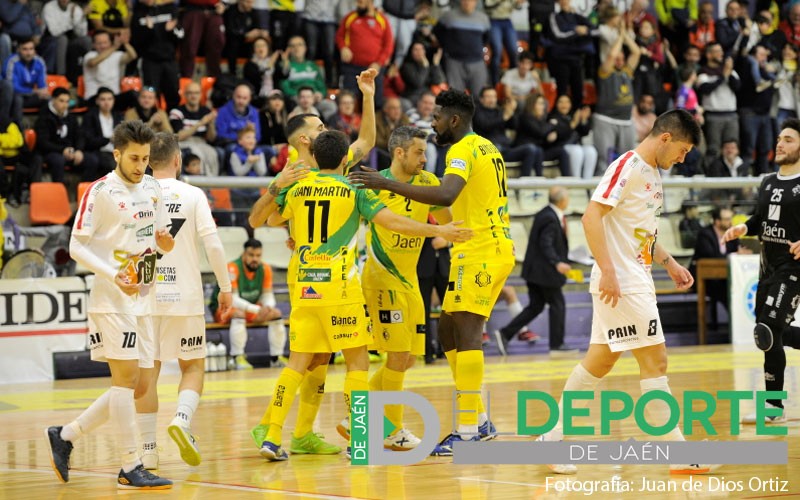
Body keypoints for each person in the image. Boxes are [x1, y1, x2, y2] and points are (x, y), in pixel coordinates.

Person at [258, 129, 471, 461]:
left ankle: (272, 436)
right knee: (357, 363)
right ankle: (361, 436)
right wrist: (438, 231)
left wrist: (293, 222)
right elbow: (393, 222)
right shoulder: (354, 189)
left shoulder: (297, 188)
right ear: (345, 160)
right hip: (340, 287)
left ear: (315, 156)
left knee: (297, 363)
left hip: (304, 287)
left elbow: (269, 218)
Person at [536, 109, 719, 475]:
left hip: (634, 278)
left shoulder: (653, 174)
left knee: (599, 362)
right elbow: (591, 217)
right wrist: (607, 271)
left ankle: (552, 438)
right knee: (656, 362)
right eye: (682, 151)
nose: (682, 159)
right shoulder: (628, 165)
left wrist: (669, 262)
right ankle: (677, 454)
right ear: (665, 138)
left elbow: (642, 234)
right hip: (622, 282)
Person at [348, 89, 516, 455]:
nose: (434, 123)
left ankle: (468, 431)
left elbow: (445, 197)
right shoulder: (486, 147)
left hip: (481, 250)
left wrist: (387, 184)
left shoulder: (461, 151)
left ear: (453, 120)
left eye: (438, 117)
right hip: (459, 254)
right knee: (449, 329)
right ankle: (476, 419)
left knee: (461, 333)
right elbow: (443, 211)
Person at [247, 68, 379, 454]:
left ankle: (297, 433)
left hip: (308, 272)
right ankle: (277, 428)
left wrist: (367, 95)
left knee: (314, 355)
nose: (328, 127)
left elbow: (367, 139)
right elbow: (265, 219)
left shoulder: (327, 159)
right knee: (320, 355)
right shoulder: (298, 171)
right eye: (321, 125)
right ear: (305, 138)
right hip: (320, 276)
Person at [45, 120, 174, 489]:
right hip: (111, 300)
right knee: (126, 380)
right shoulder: (100, 191)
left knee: (141, 384)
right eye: (134, 158)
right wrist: (112, 273)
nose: (141, 165)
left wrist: (165, 244)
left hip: (144, 297)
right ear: (117, 154)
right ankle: (129, 466)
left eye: (146, 158)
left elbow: (161, 239)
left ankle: (65, 435)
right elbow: (76, 246)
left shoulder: (152, 186)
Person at [133, 132, 232, 468]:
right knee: (192, 366)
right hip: (185, 297)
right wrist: (225, 287)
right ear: (177, 160)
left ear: (146, 159)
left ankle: (148, 451)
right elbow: (214, 245)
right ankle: (182, 419)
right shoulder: (192, 194)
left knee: (149, 371)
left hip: (145, 296)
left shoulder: (134, 193)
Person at [360, 126, 453, 450]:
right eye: (419, 153)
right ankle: (391, 431)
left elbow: (446, 216)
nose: (425, 159)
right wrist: (436, 230)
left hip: (410, 279)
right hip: (382, 277)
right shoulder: (373, 184)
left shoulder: (427, 182)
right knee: (398, 356)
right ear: (399, 153)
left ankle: (357, 419)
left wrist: (452, 230)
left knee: (408, 359)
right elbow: (394, 223)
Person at [723, 118, 800, 424]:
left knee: (768, 330)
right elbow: (760, 219)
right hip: (766, 268)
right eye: (780, 138)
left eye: (789, 139)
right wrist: (744, 226)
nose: (780, 143)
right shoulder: (768, 181)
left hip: (792, 268)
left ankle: (773, 408)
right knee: (768, 334)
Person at [494, 186, 577, 356]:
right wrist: (557, 263)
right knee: (557, 304)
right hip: (544, 273)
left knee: (535, 306)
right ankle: (557, 345)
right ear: (562, 201)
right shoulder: (550, 218)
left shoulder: (546, 213)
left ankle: (505, 333)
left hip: (535, 272)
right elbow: (545, 243)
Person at [208, 238, 284, 370]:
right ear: (244, 254)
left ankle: (276, 358)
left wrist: (268, 307)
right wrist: (256, 309)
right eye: (251, 255)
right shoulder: (232, 268)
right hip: (224, 309)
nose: (255, 259)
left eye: (258, 255)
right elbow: (234, 299)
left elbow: (267, 294)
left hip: (250, 309)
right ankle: (237, 357)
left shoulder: (265, 268)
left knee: (276, 314)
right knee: (238, 313)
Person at [689, 206, 739, 310]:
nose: (730, 222)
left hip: (723, 277)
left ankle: (737, 320)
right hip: (704, 278)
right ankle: (734, 320)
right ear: (717, 221)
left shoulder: (732, 233)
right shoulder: (705, 234)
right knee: (726, 289)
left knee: (735, 286)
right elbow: (711, 255)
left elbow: (738, 249)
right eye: (727, 219)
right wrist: (733, 254)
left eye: (731, 218)